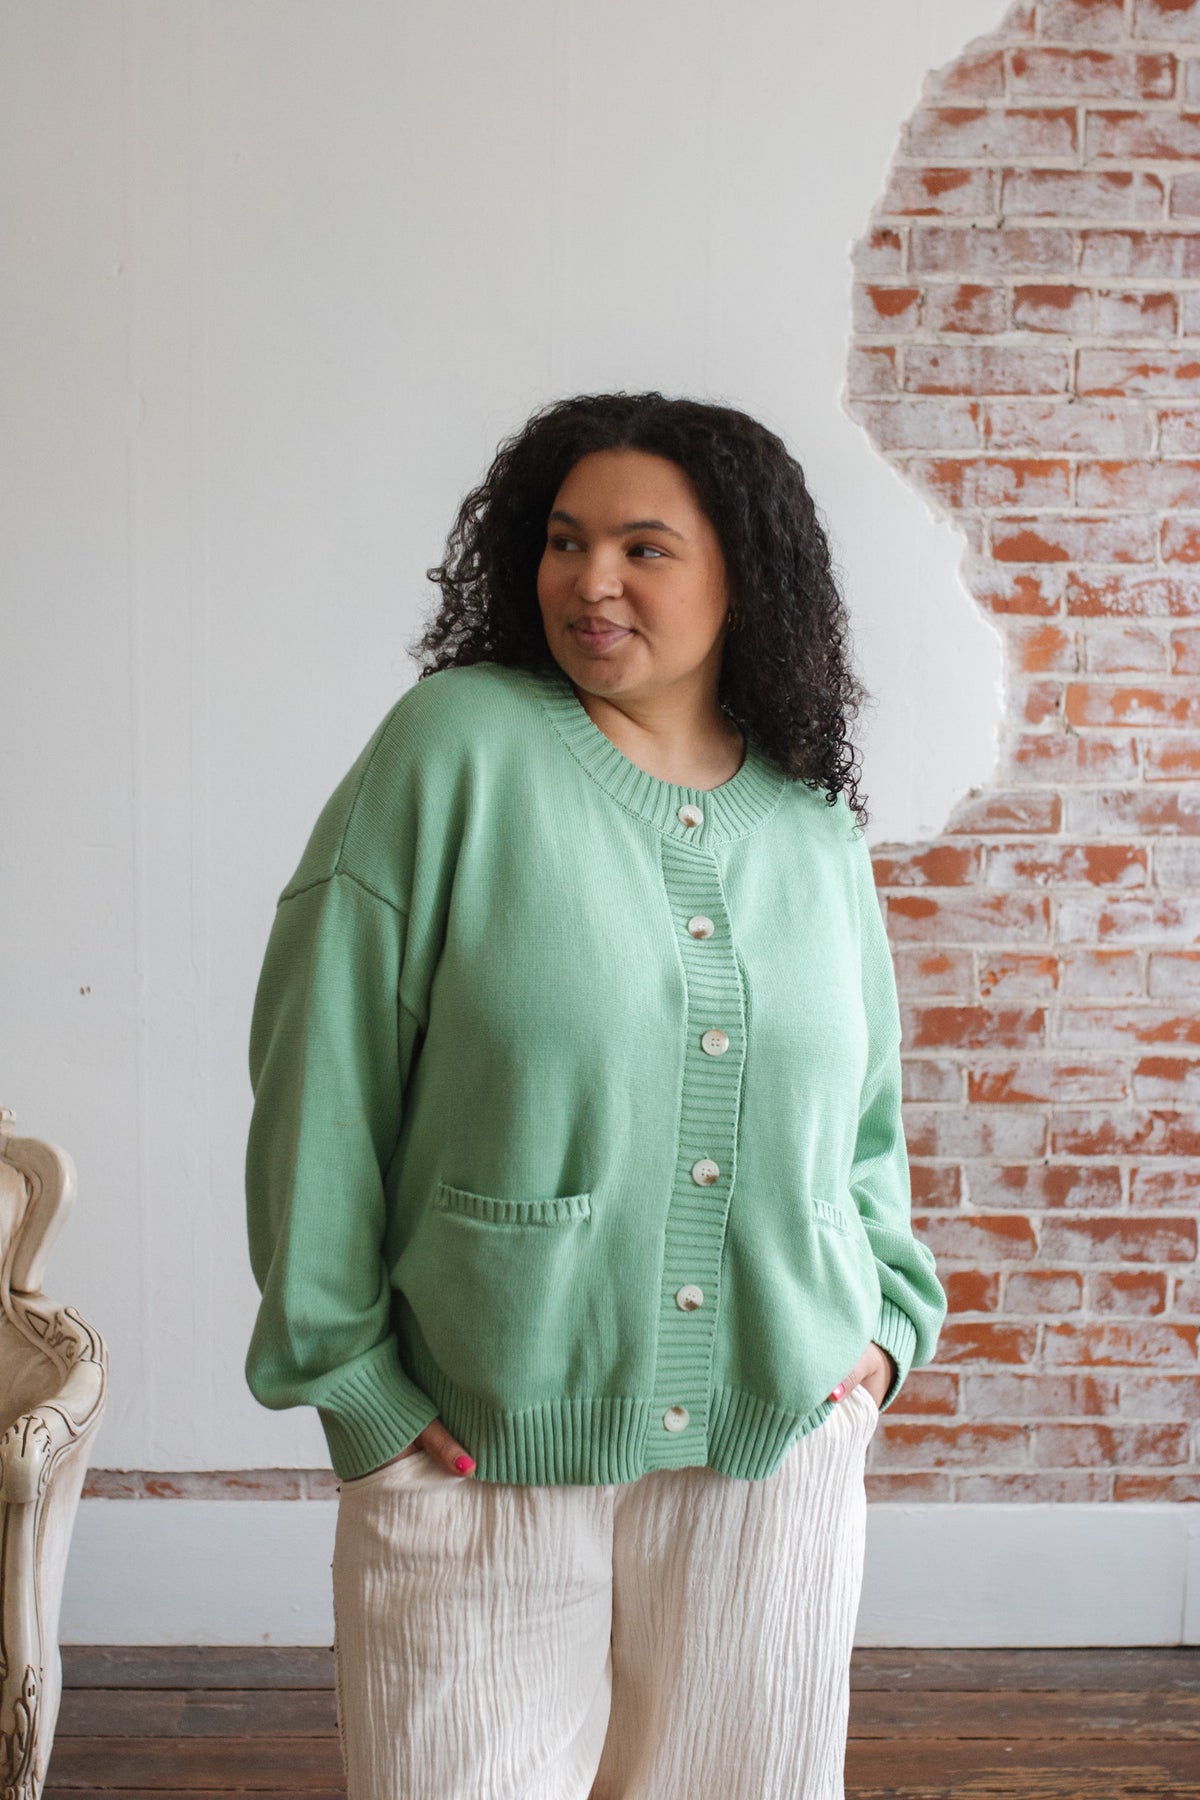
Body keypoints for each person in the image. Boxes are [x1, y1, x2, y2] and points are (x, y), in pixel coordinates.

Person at [242, 389, 948, 1799]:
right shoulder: (453, 749)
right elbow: (322, 1075)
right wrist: (352, 1385)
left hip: (775, 1450)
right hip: (480, 1438)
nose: (591, 582)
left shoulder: (813, 827)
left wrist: (882, 1333)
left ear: (746, 574)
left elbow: (863, 1127)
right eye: (565, 542)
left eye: (644, 548)